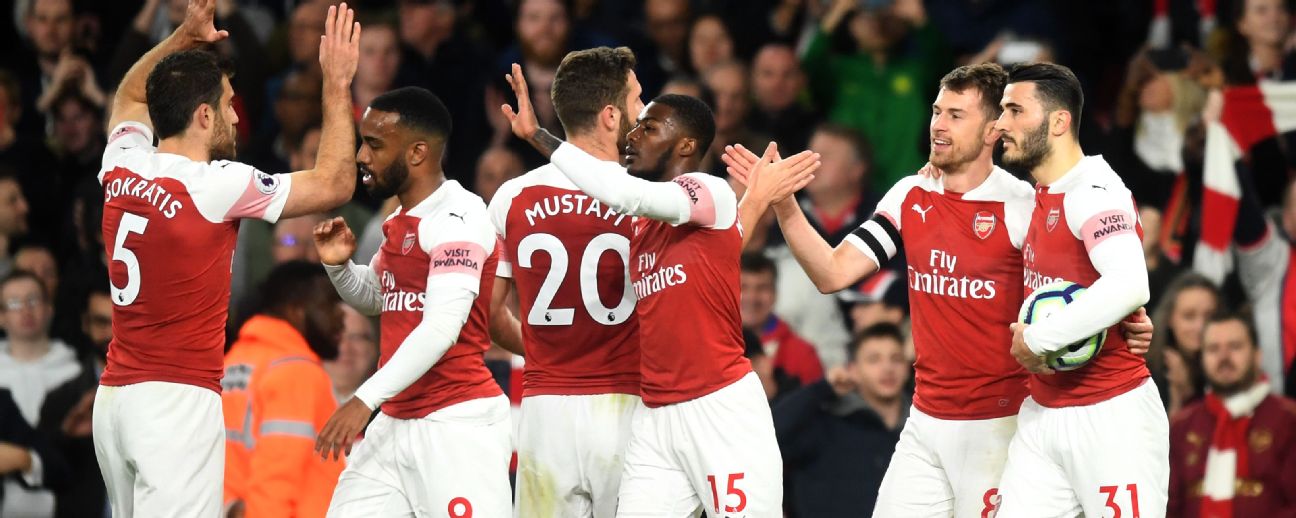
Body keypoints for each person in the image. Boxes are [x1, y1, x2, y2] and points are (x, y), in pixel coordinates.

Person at [723, 62, 1155, 517]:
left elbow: (1079, 281)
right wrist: (784, 204)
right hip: (924, 421)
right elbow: (831, 273)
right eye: (936, 111)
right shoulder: (911, 194)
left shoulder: (1022, 205)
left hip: (998, 424)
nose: (938, 125)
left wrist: (1130, 319)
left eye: (955, 115)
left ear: (992, 130)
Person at [502, 54, 819, 516]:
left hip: (721, 408)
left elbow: (627, 194)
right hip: (654, 416)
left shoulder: (707, 191)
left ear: (685, 144)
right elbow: (719, 249)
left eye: (648, 128)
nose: (633, 136)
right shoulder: (643, 224)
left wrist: (538, 136)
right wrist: (757, 197)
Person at [93, 1, 360, 515]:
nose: (237, 116)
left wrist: (182, 39)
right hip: (176, 402)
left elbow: (130, 94)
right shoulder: (215, 185)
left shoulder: (121, 162)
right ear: (204, 115)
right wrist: (336, 82)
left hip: (116, 402)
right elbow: (334, 183)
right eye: (229, 104)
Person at [312, 86, 511, 517]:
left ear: (418, 152)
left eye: (375, 145)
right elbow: (380, 297)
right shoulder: (403, 219)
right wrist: (339, 267)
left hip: (455, 427)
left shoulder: (459, 218)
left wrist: (364, 399)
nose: (362, 156)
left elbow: (441, 328)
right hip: (395, 421)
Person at [993, 62, 1168, 517]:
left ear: (1058, 121)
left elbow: (1130, 282)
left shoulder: (1094, 191)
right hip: (1042, 413)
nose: (1001, 124)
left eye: (1015, 111)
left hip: (1111, 418)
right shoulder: (1042, 193)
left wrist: (1037, 340)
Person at [485, 47, 641, 518]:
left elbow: (490, 314)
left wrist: (544, 352)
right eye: (637, 100)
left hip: (545, 412)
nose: (643, 112)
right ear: (610, 116)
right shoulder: (646, 199)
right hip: (627, 405)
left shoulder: (511, 197)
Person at [222, 261, 346, 518]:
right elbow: (275, 480)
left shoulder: (232, 363)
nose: (342, 317)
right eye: (330, 304)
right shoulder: (297, 370)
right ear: (295, 310)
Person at [773, 323, 910, 517]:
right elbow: (769, 437)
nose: (888, 368)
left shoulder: (922, 426)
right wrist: (823, 388)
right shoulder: (824, 423)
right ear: (853, 370)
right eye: (874, 360)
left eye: (896, 359)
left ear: (907, 367)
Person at [1168, 312, 1296, 517]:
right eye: (1213, 349)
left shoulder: (1288, 420)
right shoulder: (1181, 426)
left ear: (1257, 355)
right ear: (1202, 359)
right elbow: (1168, 506)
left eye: (1235, 346)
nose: (1224, 357)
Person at [0, 272, 84, 517]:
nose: (25, 310)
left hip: (69, 499)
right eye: (14, 303)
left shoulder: (76, 373)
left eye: (33, 300)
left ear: (49, 308)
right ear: (1, 316)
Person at [739, 252, 823, 386]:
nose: (752, 297)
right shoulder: (709, 346)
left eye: (762, 288)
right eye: (743, 287)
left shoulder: (802, 354)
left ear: (775, 294)